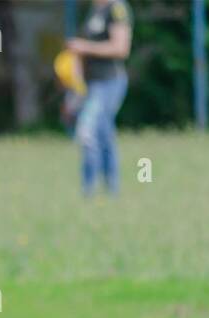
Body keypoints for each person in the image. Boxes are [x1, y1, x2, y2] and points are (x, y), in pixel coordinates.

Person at [68, 0, 133, 196]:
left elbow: (121, 48)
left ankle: (89, 190)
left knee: (87, 130)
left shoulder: (117, 9)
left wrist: (84, 47)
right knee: (103, 134)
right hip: (91, 84)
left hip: (109, 82)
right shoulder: (94, 10)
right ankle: (111, 190)